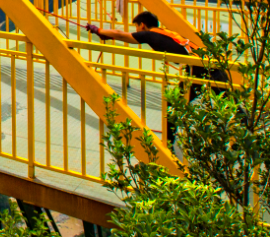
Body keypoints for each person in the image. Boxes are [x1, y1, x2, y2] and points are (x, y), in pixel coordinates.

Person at [86, 10, 227, 143]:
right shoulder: (165, 33)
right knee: (229, 105)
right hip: (212, 67)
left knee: (173, 105)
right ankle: (244, 134)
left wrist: (97, 30)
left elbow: (122, 34)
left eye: (136, 28)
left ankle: (168, 144)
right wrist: (107, 35)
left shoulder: (148, 34)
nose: (136, 32)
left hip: (201, 72)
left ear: (142, 25)